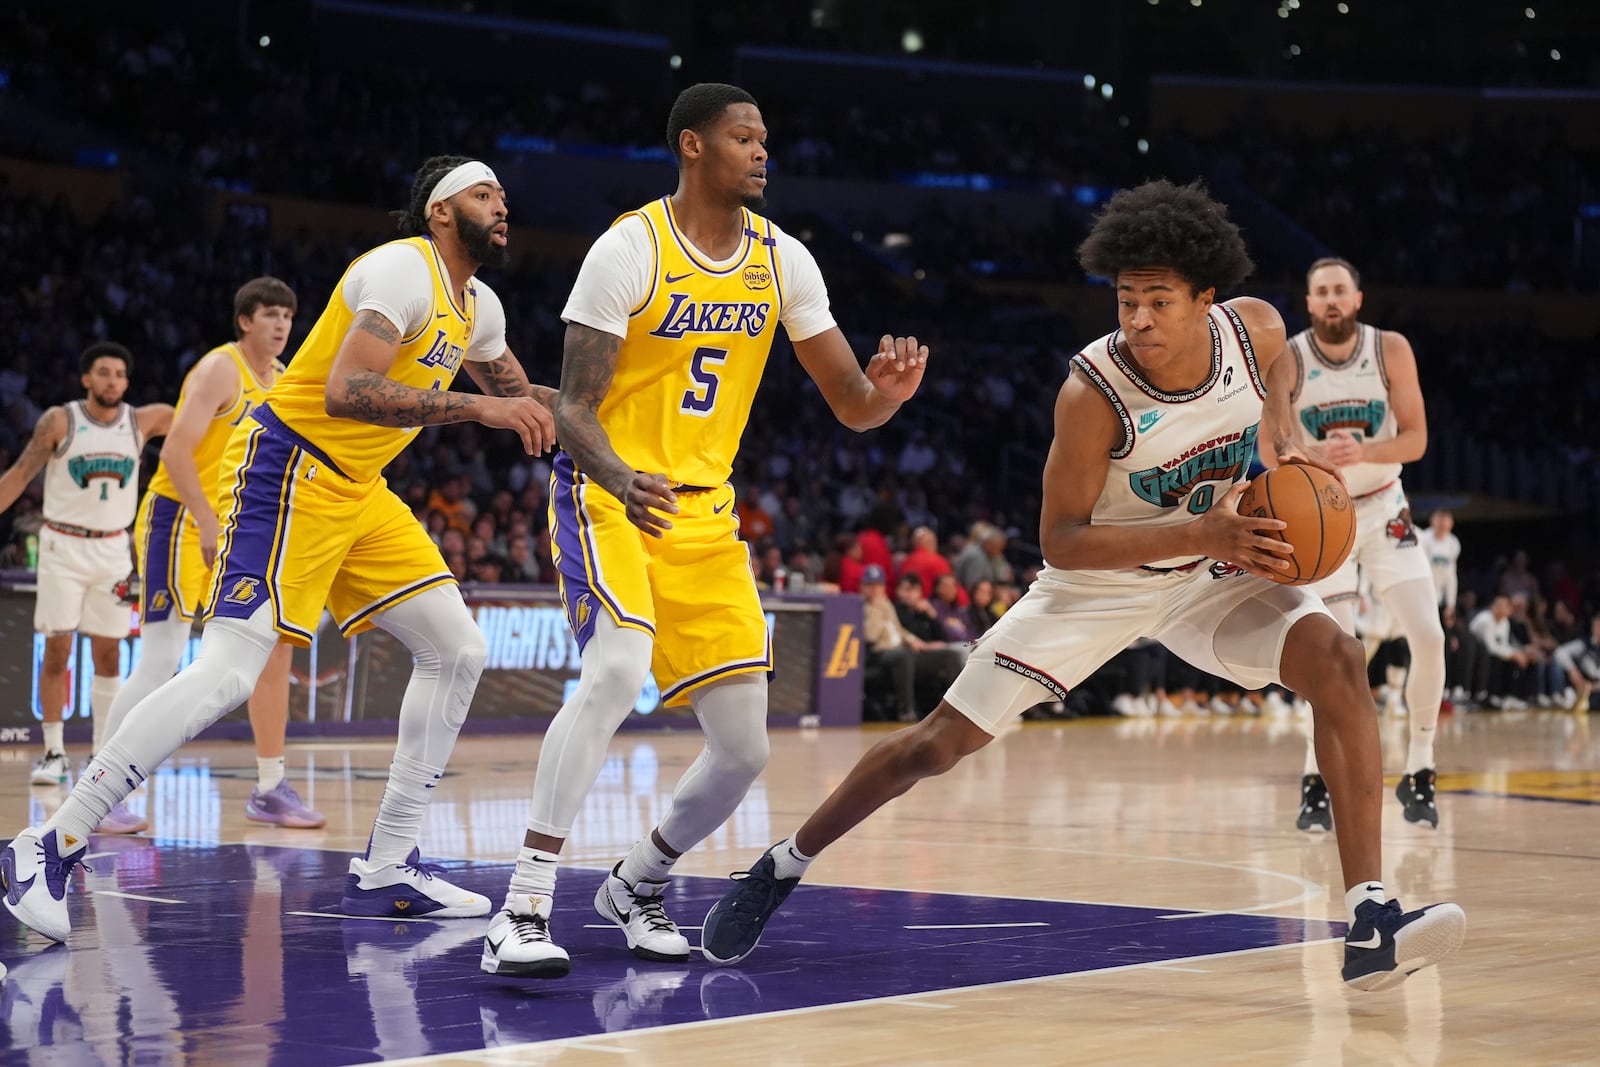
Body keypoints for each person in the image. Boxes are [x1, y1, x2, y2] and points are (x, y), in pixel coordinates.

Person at [699, 180, 1464, 992]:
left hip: (1209, 568)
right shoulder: (1093, 394)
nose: (1137, 319)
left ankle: (1371, 917)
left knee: (1340, 661)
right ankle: (783, 864)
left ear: (1207, 298)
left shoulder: (1260, 332)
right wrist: (1204, 531)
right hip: (1097, 584)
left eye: (1158, 301)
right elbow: (1059, 540)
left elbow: (1272, 409)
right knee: (934, 745)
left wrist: (1279, 461)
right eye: (1126, 300)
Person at [2, 155, 558, 943]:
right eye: (482, 192)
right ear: (440, 211)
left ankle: (392, 857)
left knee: (458, 648)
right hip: (288, 469)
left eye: (502, 193)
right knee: (226, 671)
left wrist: (625, 441)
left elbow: (525, 398)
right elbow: (344, 390)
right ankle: (49, 840)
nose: (501, 203)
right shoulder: (400, 270)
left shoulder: (481, 307)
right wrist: (478, 408)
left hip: (360, 492)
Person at [478, 83, 927, 980]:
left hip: (702, 513)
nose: (763, 151)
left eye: (766, 137)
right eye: (743, 137)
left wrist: (888, 396)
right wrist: (617, 475)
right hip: (608, 489)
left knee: (744, 750)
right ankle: (522, 905)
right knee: (612, 668)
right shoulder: (628, 248)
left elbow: (850, 403)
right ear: (692, 146)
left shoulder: (784, 259)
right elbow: (572, 406)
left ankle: (635, 881)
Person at [95, 277, 325, 836]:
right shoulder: (221, 368)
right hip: (180, 518)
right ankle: (100, 789)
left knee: (268, 653)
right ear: (244, 321)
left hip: (236, 526)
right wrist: (203, 520)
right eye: (269, 314)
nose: (280, 325)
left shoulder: (285, 377)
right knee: (161, 659)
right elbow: (173, 450)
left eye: (288, 316)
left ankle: (271, 787)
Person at [1263, 258, 1447, 831]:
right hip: (1328, 521)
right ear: (1309, 302)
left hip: (1387, 507)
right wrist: (1310, 459)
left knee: (1430, 636)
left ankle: (1420, 766)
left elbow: (1416, 439)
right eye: (1322, 292)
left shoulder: (1390, 349)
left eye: (1341, 289)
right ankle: (1315, 779)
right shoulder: (1287, 358)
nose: (1332, 299)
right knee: (1337, 657)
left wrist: (1365, 452)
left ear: (1359, 298)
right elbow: (1273, 450)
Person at [0, 343, 172, 789]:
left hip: (114, 550)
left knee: (109, 653)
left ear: (127, 383)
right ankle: (54, 752)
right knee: (57, 649)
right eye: (103, 372)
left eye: (119, 374)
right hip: (63, 547)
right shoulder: (60, 420)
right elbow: (20, 475)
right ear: (86, 379)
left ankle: (102, 754)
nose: (112, 380)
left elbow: (204, 417)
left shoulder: (143, 420)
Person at [1420, 509, 1460, 610]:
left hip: (1437, 595)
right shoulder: (1422, 538)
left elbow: (1451, 575)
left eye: (1445, 521)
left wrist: (1451, 603)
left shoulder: (1453, 543)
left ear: (1451, 523)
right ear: (1432, 520)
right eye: (1439, 520)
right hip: (1420, 591)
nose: (1442, 524)